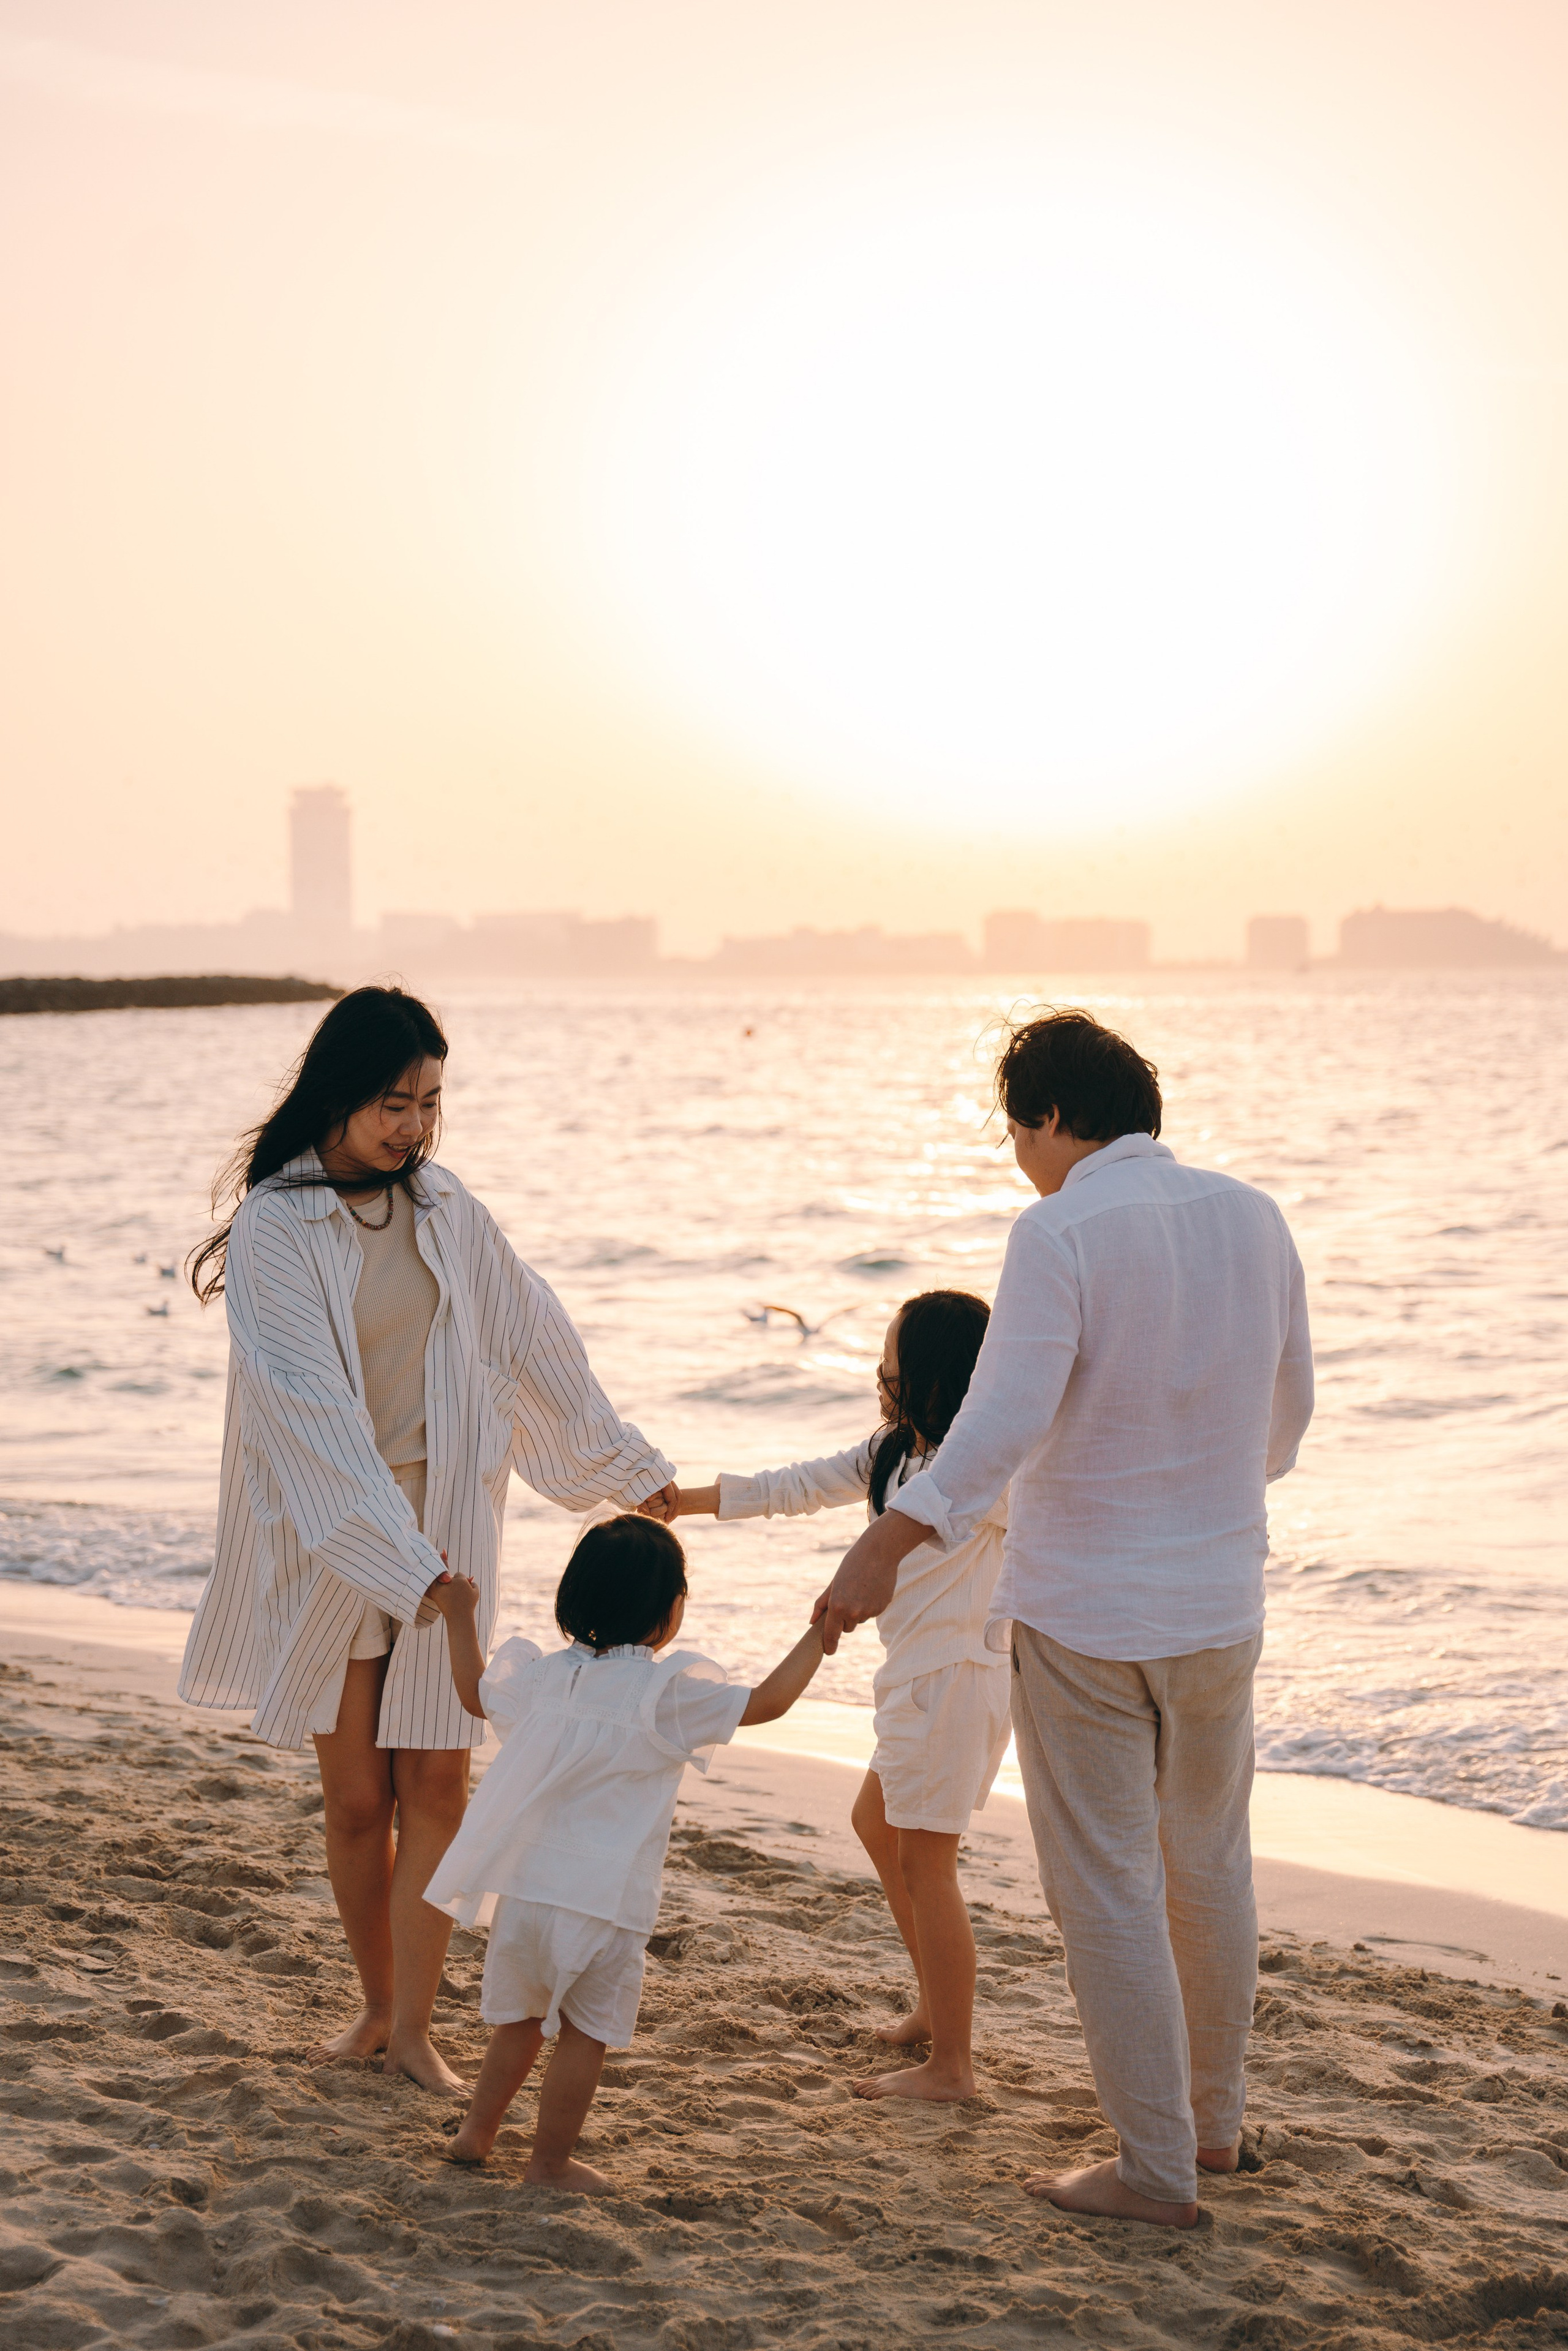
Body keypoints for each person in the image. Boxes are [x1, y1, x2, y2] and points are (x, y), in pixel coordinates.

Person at [818, 1009, 1314, 2228]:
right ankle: (1213, 2127)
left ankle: (1150, 2169)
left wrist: (892, 1529)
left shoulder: (1058, 1229)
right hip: (1218, 1601)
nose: (1017, 1160)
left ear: (1048, 1116)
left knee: (1103, 1883)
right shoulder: (1254, 1215)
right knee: (1208, 1864)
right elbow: (1287, 1415)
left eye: (1015, 1133)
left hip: (1087, 1611)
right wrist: (1194, 1498)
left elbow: (997, 1422)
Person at [179, 987, 677, 2094]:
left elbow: (534, 1335)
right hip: (334, 1534)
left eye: (430, 1103)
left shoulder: (448, 1204)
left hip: (448, 1514)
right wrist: (411, 1573)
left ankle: (414, 2027)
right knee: (359, 1796)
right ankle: (374, 2002)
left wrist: (629, 1472)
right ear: (338, 1091)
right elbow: (304, 1405)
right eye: (392, 1101)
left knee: (439, 1789)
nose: (412, 1125)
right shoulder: (278, 1223)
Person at [673, 1289, 1008, 2102]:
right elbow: (797, 1484)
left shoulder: (991, 1465)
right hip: (912, 1680)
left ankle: (953, 2066)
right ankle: (935, 2007)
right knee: (873, 1821)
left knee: (929, 1863)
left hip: (958, 1679)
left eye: (893, 1363)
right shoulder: (896, 1452)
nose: (879, 1374)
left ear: (934, 1374)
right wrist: (685, 1500)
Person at [422, 1513, 825, 2185]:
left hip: (524, 1896)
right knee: (583, 2033)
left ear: (572, 1598)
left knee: (518, 2022)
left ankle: (475, 2132)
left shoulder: (546, 1678)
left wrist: (459, 1612)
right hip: (603, 1904)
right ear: (670, 1614)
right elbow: (769, 1701)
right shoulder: (662, 1696)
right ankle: (548, 2164)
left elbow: (473, 1693)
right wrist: (821, 1629)